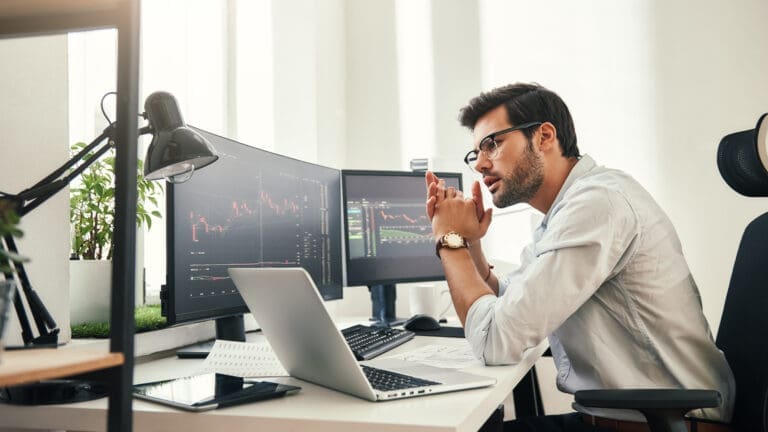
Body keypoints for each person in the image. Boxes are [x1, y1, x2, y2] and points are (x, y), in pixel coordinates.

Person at [425, 83, 735, 431]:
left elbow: (494, 341)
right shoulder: (570, 209)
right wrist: (470, 242)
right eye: (476, 154)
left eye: (492, 144)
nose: (480, 164)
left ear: (544, 136)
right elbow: (508, 300)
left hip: (665, 424)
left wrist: (447, 239)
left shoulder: (598, 205)